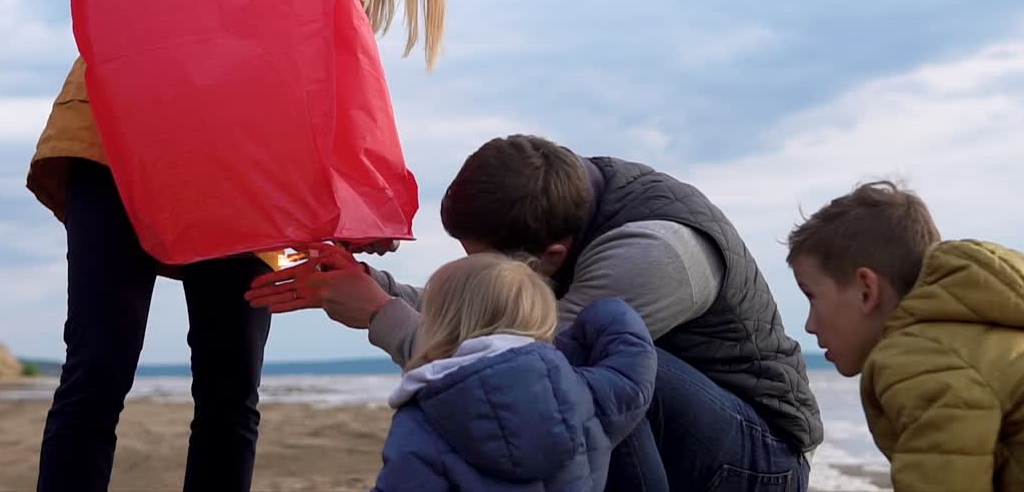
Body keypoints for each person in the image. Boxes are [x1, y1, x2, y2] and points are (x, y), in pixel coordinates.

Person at [31, 0, 452, 491]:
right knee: (98, 369)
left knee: (230, 391)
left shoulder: (345, 6)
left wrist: (354, 210)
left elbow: (330, 127)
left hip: (248, 199)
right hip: (122, 147)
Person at [249, 134, 823, 490]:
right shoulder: (564, 198)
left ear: (551, 254)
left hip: (758, 464)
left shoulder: (653, 255)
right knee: (581, 378)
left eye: (485, 260)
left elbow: (519, 381)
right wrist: (371, 287)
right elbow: (492, 327)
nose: (477, 272)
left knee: (582, 381)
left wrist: (382, 318)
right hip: (676, 432)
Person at [786, 180, 1024, 492]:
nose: (809, 325)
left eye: (811, 297)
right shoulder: (987, 334)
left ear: (866, 290)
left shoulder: (912, 356)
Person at [372, 253, 657, 492]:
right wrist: (605, 311)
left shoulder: (425, 416)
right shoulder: (578, 390)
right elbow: (633, 371)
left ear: (437, 327)